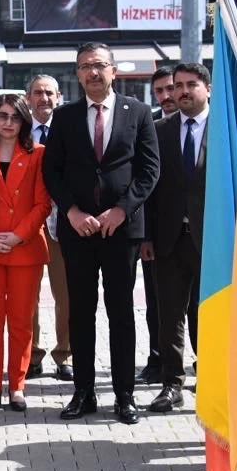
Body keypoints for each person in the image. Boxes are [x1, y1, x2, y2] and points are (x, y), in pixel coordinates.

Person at [41, 43, 159, 425]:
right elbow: (52, 172)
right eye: (85, 67)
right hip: (78, 230)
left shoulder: (139, 113)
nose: (93, 73)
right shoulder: (65, 116)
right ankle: (84, 392)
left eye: (99, 66)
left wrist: (122, 210)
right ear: (76, 74)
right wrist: (72, 211)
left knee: (121, 312)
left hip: (121, 231)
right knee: (81, 312)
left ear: (113, 70)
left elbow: (148, 171)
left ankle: (124, 396)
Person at [141, 63, 209, 413]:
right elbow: (148, 188)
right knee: (169, 315)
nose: (181, 92)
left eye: (190, 85)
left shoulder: (227, 129)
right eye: (177, 86)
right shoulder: (159, 131)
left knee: (210, 311)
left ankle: (212, 379)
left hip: (213, 240)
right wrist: (146, 236)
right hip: (168, 239)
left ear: (207, 88)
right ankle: (171, 384)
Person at [0, 94, 50, 412]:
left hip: (25, 248)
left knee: (21, 322)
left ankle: (17, 386)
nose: (8, 123)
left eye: (15, 117)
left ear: (24, 121)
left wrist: (18, 236)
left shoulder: (38, 154)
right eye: (2, 116)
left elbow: (43, 203)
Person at [23, 74, 71, 382]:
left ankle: (65, 354)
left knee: (66, 294)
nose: (44, 99)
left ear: (59, 97)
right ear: (28, 98)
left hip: (62, 224)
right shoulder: (17, 130)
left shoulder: (70, 129)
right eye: (38, 93)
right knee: (27, 296)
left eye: (49, 93)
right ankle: (32, 355)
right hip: (26, 226)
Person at [137, 66, 179, 384]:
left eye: (171, 89)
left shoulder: (215, 126)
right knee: (158, 303)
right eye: (160, 91)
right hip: (160, 235)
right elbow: (144, 187)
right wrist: (145, 235)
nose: (167, 96)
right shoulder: (149, 126)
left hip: (203, 235)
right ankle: (158, 358)